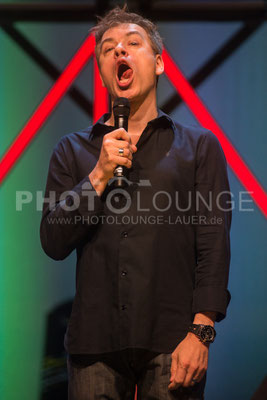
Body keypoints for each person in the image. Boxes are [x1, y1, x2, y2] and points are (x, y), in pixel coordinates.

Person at [40, 6, 231, 400]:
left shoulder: (198, 147)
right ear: (102, 71)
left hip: (173, 340)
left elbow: (213, 244)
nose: (119, 53)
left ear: (159, 62)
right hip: (95, 344)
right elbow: (53, 241)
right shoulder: (73, 150)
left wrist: (201, 331)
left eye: (132, 43)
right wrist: (99, 175)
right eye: (108, 49)